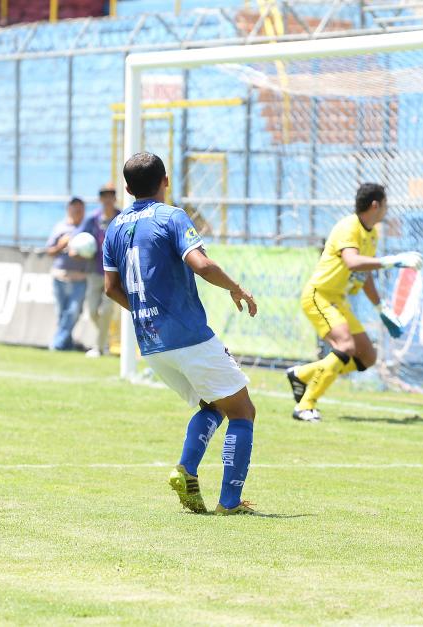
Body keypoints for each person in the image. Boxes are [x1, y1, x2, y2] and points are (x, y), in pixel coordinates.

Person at [103, 152, 260, 516]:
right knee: (241, 411)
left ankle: (186, 471)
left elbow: (111, 288)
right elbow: (201, 265)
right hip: (188, 336)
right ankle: (230, 503)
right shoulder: (171, 216)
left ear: (127, 188)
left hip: (151, 343)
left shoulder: (114, 226)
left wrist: (146, 313)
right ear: (166, 181)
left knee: (212, 404)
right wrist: (236, 287)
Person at [286, 183, 423, 423]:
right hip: (319, 296)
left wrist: (382, 309)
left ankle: (302, 374)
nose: (387, 210)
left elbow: (364, 273)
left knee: (367, 357)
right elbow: (352, 262)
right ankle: (305, 405)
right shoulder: (349, 226)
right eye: (386, 204)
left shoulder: (372, 233)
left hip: (338, 300)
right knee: (346, 345)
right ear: (375, 205)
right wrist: (393, 261)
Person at [76, 182, 121, 357]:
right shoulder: (92, 219)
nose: (108, 199)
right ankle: (106, 341)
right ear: (100, 199)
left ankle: (100, 348)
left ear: (115, 198)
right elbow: (79, 237)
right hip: (95, 271)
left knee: (107, 310)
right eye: (104, 196)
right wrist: (75, 248)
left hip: (115, 273)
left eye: (111, 195)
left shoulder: (121, 217)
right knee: (93, 311)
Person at [45, 197, 89, 351]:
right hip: (60, 276)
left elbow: (94, 250)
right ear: (68, 209)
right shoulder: (60, 227)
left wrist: (82, 254)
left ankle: (56, 344)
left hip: (80, 277)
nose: (77, 211)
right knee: (61, 313)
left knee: (73, 312)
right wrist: (60, 245)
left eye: (80, 208)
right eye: (74, 208)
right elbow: (49, 251)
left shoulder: (87, 228)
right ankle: (67, 344)